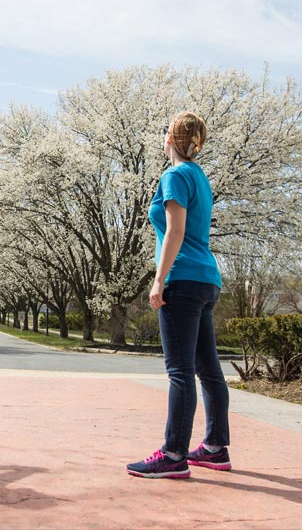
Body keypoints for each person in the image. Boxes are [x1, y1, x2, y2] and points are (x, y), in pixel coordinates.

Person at [126, 111, 231, 479]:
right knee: (208, 370)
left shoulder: (173, 175)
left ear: (169, 140)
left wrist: (159, 279)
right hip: (207, 279)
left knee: (180, 372)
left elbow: (174, 231)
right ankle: (215, 448)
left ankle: (173, 454)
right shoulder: (200, 176)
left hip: (182, 280)